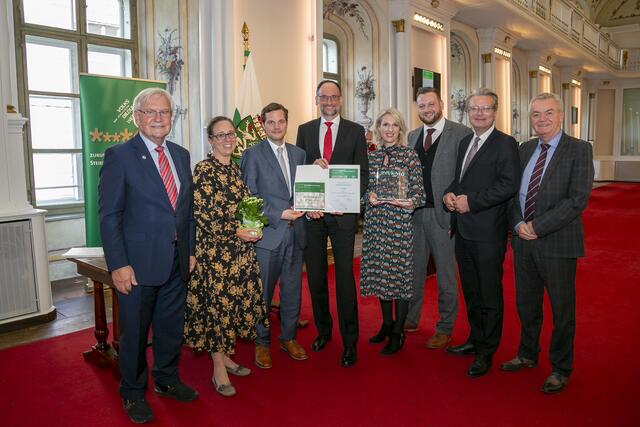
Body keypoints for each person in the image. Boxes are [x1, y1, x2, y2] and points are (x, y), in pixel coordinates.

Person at [99, 87, 198, 424]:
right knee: (135, 334)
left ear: (172, 118)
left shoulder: (182, 155)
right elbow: (110, 215)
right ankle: (133, 392)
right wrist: (118, 264)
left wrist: (191, 251)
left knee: (171, 328)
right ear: (138, 117)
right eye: (151, 112)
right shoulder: (120, 156)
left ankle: (167, 380)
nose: (159, 118)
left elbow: (187, 211)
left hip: (176, 260)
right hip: (137, 266)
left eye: (165, 112)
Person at [500, 92, 594, 394]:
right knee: (527, 305)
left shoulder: (578, 150)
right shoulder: (524, 148)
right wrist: (517, 225)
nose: (542, 119)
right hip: (523, 242)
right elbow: (511, 194)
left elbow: (577, 199)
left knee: (561, 309)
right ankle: (527, 354)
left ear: (561, 115)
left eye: (548, 113)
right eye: (536, 114)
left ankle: (561, 367)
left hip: (557, 241)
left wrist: (537, 227)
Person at [183, 116, 266, 397]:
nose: (227, 139)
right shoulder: (203, 170)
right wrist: (236, 232)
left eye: (230, 134)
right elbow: (204, 216)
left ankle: (228, 357)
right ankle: (218, 366)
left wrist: (255, 227)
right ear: (210, 140)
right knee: (218, 309)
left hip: (240, 254)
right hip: (216, 254)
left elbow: (245, 208)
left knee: (232, 307)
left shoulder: (235, 169)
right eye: (220, 135)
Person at [443, 88, 520, 378]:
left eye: (485, 108)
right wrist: (448, 194)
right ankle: (475, 340)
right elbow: (460, 180)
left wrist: (471, 202)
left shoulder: (505, 143)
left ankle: (487, 351)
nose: (479, 113)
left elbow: (508, 184)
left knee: (489, 294)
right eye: (474, 108)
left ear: (494, 112)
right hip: (462, 231)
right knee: (472, 292)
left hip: (488, 233)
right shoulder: (465, 142)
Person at [295, 80, 369, 367]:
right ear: (317, 99)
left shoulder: (355, 130)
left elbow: (362, 173)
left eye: (334, 97)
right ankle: (324, 332)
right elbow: (300, 172)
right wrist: (307, 203)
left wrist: (349, 204)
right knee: (315, 277)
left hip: (343, 216)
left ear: (341, 99)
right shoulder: (305, 130)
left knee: (344, 280)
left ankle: (350, 342)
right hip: (313, 216)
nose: (329, 101)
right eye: (324, 97)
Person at [240, 103, 308, 369]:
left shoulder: (299, 153)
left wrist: (311, 207)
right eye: (271, 122)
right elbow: (249, 199)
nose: (277, 126)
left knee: (292, 291)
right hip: (268, 236)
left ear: (287, 123)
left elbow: (304, 191)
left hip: (297, 234)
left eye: (281, 121)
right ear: (263, 125)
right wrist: (280, 213)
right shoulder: (252, 154)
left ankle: (289, 337)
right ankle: (262, 342)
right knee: (263, 294)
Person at [405, 87, 472, 349]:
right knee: (414, 270)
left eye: (430, 104)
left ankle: (445, 327)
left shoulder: (460, 133)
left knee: (445, 274)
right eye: (421, 106)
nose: (426, 110)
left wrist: (456, 197)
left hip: (443, 214)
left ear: (441, 103)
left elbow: (466, 172)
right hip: (414, 214)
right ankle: (410, 318)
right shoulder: (412, 136)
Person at [360, 108, 425, 355]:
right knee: (381, 276)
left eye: (394, 125)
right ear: (378, 128)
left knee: (400, 278)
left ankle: (398, 331)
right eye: (385, 125)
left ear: (400, 129)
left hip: (399, 225)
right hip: (376, 224)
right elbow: (362, 193)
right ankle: (386, 324)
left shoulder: (410, 157)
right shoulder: (371, 157)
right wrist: (369, 197)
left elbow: (420, 195)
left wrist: (409, 202)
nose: (389, 129)